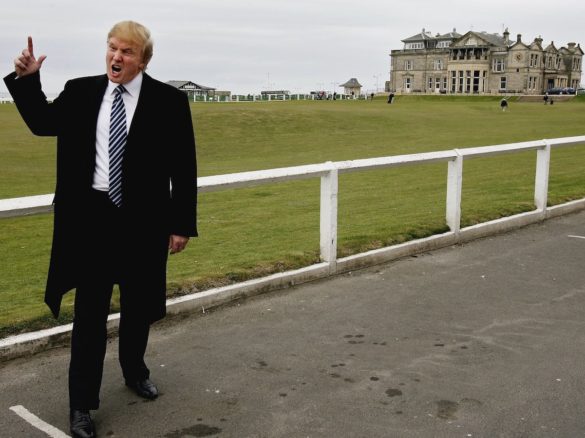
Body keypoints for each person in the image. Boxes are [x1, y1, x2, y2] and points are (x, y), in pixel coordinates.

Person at [4, 21, 197, 438]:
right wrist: (27, 79)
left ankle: (134, 370)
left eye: (127, 52)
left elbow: (183, 166)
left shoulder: (169, 101)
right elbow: (40, 122)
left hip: (143, 223)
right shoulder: (80, 91)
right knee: (90, 316)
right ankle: (81, 406)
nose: (116, 57)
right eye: (112, 48)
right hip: (91, 221)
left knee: (139, 306)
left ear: (143, 60)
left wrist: (181, 223)